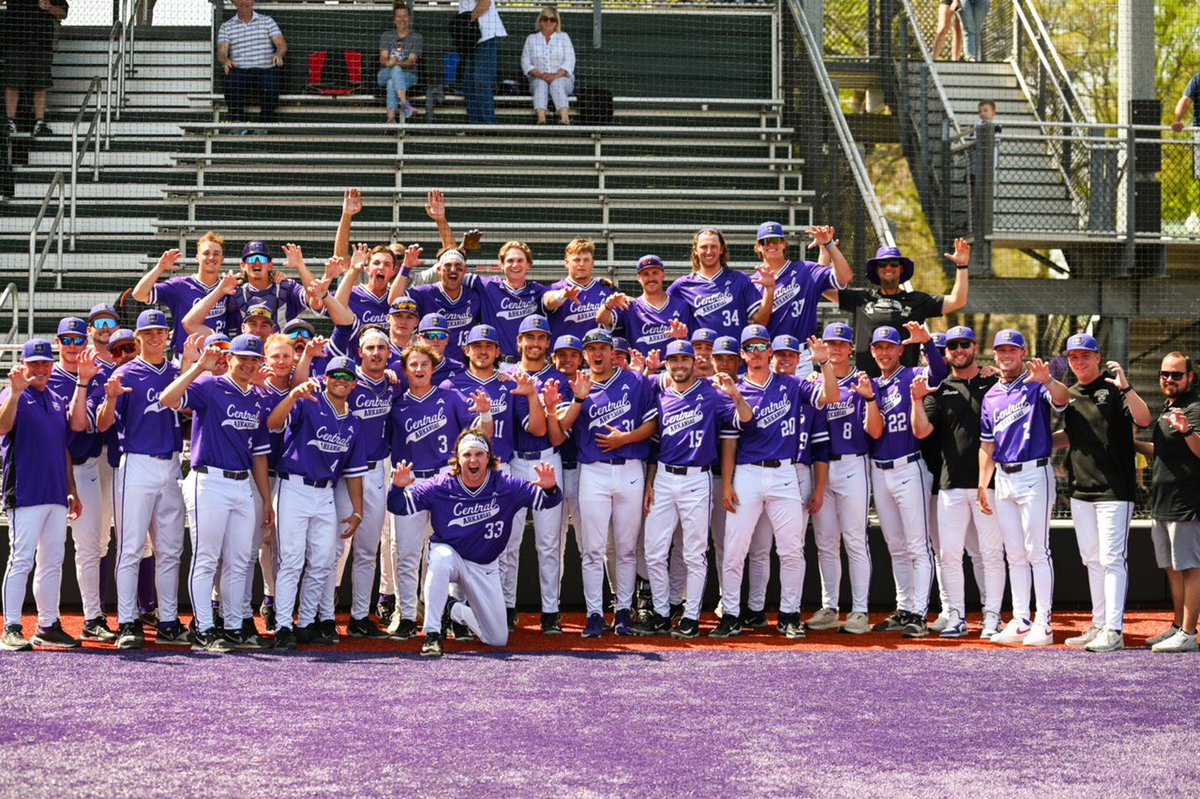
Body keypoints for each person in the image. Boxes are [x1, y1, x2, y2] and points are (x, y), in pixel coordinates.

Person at [389, 430, 561, 658]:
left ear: (488, 458)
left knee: (497, 639)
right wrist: (397, 487)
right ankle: (432, 634)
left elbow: (548, 501)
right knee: (439, 559)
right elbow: (398, 506)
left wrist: (551, 488)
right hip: (452, 556)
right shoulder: (441, 484)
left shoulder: (506, 485)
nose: (473, 460)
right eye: (467, 454)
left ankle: (453, 609)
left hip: (484, 565)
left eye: (479, 454)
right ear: (457, 460)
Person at [712, 326, 836, 639]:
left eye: (760, 346)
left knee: (792, 550)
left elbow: (830, 396)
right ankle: (730, 614)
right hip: (748, 473)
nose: (755, 352)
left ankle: (789, 615)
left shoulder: (792, 384)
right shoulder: (731, 387)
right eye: (749, 347)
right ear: (742, 354)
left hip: (784, 473)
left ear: (770, 352)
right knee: (735, 549)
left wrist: (825, 364)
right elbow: (745, 422)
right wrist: (727, 485)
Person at [160, 334, 274, 653]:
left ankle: (233, 625)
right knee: (207, 557)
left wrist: (265, 499)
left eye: (255, 359)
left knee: (239, 560)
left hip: (242, 483)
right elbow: (168, 399)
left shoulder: (257, 398)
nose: (250, 364)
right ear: (230, 358)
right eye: (244, 358)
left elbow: (259, 455)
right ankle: (204, 629)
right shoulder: (210, 386)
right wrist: (199, 367)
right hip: (208, 479)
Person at [637, 341, 751, 638]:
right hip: (663, 476)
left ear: (693, 361)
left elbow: (746, 419)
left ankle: (690, 616)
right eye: (673, 360)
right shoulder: (660, 397)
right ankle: (662, 614)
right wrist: (649, 482)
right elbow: (653, 445)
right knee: (654, 552)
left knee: (694, 552)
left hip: (697, 479)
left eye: (683, 360)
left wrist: (735, 395)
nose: (679, 365)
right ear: (667, 365)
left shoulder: (712, 395)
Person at [95, 310, 190, 650]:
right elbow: (103, 425)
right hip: (134, 463)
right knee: (131, 547)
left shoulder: (178, 372)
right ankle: (128, 621)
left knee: (170, 549)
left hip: (171, 464)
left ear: (167, 335)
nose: (154, 337)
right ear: (138, 338)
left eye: (159, 331)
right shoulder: (125, 373)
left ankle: (166, 620)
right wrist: (110, 397)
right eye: (147, 332)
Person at [386, 342, 493, 639]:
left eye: (424, 364)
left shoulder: (450, 396)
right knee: (407, 553)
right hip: (411, 481)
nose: (419, 369)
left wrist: (485, 415)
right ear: (405, 370)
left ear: (433, 368)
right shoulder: (397, 403)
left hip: (445, 479)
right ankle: (407, 614)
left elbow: (480, 438)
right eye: (413, 365)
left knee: (452, 553)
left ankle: (451, 616)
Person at [1052, 334, 1150, 653]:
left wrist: (1126, 386)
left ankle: (1114, 630)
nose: (1079, 362)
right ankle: (1099, 624)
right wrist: (1029, 444)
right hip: (1081, 490)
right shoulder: (1070, 394)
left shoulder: (1114, 388)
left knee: (1111, 560)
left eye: (1085, 356)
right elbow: (1072, 435)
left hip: (1114, 490)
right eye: (1073, 357)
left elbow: (1144, 419)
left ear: (1098, 358)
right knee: (1092, 559)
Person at [558, 328, 657, 638]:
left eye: (603, 347)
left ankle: (623, 611)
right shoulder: (578, 383)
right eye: (591, 348)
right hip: (594, 471)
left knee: (627, 549)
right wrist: (578, 398)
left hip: (629, 468)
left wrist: (624, 439)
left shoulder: (636, 381)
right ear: (585, 354)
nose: (597, 353)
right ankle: (594, 614)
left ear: (613, 352)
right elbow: (561, 428)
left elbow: (653, 424)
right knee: (593, 549)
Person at [911, 325, 1005, 639]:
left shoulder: (994, 381)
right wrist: (916, 401)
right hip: (950, 484)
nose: (959, 350)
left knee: (990, 553)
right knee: (949, 554)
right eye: (952, 346)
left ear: (974, 347)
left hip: (987, 484)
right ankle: (957, 617)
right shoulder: (941, 387)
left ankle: (992, 617)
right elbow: (922, 431)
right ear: (947, 352)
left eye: (964, 344)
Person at [266, 356, 367, 650]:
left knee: (323, 561)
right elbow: (273, 423)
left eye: (347, 377)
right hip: (293, 486)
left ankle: (307, 622)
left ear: (354, 384)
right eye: (335, 374)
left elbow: (354, 473)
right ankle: (284, 624)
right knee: (292, 561)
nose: (341, 380)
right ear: (325, 378)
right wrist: (292, 395)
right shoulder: (307, 402)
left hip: (325, 493)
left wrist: (358, 510)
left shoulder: (353, 423)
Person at [977, 329, 1069, 647]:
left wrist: (1047, 380)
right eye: (1001, 350)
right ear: (995, 354)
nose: (1006, 355)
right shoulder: (990, 396)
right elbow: (987, 445)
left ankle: (1043, 621)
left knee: (1036, 551)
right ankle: (1020, 619)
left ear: (1022, 353)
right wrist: (981, 483)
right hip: (1003, 478)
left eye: (1012, 350)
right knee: (1014, 554)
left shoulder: (1035, 386)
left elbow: (1062, 400)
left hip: (1034, 474)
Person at [862, 324, 947, 639]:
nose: (884, 352)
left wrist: (928, 345)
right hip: (879, 470)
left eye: (890, 347)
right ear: (872, 351)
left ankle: (920, 614)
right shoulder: (869, 384)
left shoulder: (912, 374)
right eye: (878, 347)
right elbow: (873, 432)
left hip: (910, 467)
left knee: (917, 545)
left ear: (900, 349)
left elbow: (938, 375)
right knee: (896, 546)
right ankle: (904, 607)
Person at [0, 338, 81, 652]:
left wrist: (71, 489)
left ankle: (48, 624)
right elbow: (3, 427)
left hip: (56, 494)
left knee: (52, 562)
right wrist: (17, 392)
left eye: (46, 363)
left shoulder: (58, 399)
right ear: (23, 364)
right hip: (25, 492)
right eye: (34, 363)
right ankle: (11, 626)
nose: (41, 369)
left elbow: (62, 448)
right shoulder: (12, 394)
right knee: (20, 560)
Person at [807, 322, 879, 634]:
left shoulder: (862, 381)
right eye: (830, 344)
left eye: (841, 344)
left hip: (852, 464)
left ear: (851, 348)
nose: (835, 349)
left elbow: (875, 429)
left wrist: (870, 398)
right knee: (825, 542)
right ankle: (829, 606)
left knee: (854, 540)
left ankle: (860, 610)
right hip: (821, 467)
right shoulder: (813, 381)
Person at [832, 240, 971, 376]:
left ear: (901, 269)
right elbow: (824, 288)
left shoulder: (917, 301)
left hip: (903, 385)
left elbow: (957, 301)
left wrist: (962, 265)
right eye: (882, 264)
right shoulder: (861, 299)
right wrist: (826, 249)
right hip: (866, 383)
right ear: (876, 269)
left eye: (894, 264)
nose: (888, 268)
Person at [1144, 352, 1200, 653]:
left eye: (1176, 375)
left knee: (1191, 567)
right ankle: (1178, 626)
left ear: (1190, 377)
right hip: (1162, 503)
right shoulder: (1172, 407)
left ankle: (1189, 633)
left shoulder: (1195, 408)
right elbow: (1163, 449)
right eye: (1164, 374)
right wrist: (1127, 443)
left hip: (1187, 503)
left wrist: (1188, 430)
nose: (1169, 379)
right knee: (1171, 568)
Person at [750, 222, 851, 377]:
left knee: (804, 400)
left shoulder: (806, 270)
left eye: (776, 240)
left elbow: (845, 277)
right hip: (769, 356)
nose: (771, 245)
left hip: (801, 355)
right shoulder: (754, 283)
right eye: (765, 242)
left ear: (784, 244)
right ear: (757, 247)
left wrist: (828, 245)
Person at [131, 239, 228, 358]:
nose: (211, 257)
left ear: (222, 259)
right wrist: (160, 268)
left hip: (219, 357)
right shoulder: (179, 286)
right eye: (206, 253)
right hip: (185, 358)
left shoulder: (229, 287)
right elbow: (139, 295)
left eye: (216, 254)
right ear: (197, 258)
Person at [668, 228, 763, 341]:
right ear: (695, 250)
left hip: (733, 354)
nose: (709, 251)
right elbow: (663, 309)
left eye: (713, 246)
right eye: (703, 247)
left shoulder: (740, 280)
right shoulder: (682, 286)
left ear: (721, 249)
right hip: (702, 355)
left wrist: (770, 289)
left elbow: (760, 321)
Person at [597, 254, 692, 358]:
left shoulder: (681, 305)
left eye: (655, 273)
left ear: (663, 275)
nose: (651, 278)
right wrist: (608, 305)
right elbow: (602, 319)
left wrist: (682, 336)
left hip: (673, 370)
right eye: (646, 274)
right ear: (639, 278)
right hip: (641, 371)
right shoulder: (630, 306)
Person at [2, 0, 68, 138]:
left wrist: (49, 7)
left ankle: (40, 123)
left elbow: (63, 13)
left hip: (41, 44)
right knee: (12, 83)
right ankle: (10, 122)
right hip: (15, 43)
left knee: (41, 85)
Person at [217, 0, 287, 130]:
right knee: (231, 82)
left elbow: (281, 44)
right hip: (239, 69)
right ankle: (237, 123)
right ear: (234, 3)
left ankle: (265, 124)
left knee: (271, 85)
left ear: (253, 1)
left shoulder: (267, 21)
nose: (244, 2)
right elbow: (221, 52)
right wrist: (225, 60)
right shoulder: (226, 26)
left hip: (265, 68)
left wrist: (278, 54)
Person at [521, 6, 575, 125]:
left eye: (552, 19)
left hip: (562, 78)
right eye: (545, 19)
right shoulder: (531, 39)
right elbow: (525, 63)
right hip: (538, 78)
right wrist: (540, 75)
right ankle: (541, 118)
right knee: (540, 84)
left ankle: (565, 118)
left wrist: (556, 76)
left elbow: (570, 61)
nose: (548, 22)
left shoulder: (564, 37)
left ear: (557, 22)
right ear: (540, 21)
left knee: (557, 83)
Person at [459, 0, 506, 125]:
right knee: (468, 83)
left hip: (486, 35)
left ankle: (489, 126)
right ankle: (475, 126)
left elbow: (485, 3)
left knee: (481, 82)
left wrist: (466, 20)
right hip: (471, 38)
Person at [378, 5, 424, 123]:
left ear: (410, 19)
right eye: (399, 16)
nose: (402, 19)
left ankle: (391, 119)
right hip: (385, 73)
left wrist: (395, 64)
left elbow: (411, 61)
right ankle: (404, 104)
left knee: (391, 83)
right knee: (392, 74)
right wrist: (389, 64)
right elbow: (383, 58)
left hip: (409, 76)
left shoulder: (416, 37)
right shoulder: (386, 35)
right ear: (394, 20)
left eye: (405, 16)